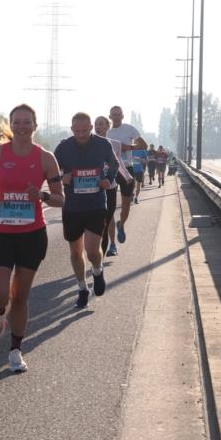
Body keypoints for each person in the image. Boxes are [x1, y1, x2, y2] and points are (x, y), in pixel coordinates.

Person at [0, 105, 64, 372]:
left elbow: (60, 199)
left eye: (27, 122)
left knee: (21, 296)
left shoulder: (46, 158)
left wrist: (44, 196)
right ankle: (0, 312)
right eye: (17, 122)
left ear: (35, 126)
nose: (22, 126)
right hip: (1, 234)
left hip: (32, 236)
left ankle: (15, 351)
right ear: (10, 126)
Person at [54, 112, 120, 309]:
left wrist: (108, 178)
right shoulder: (64, 147)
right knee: (76, 252)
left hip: (95, 204)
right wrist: (60, 177)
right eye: (77, 131)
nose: (81, 134)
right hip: (72, 207)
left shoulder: (102, 144)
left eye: (84, 130)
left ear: (91, 127)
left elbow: (114, 164)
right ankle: (82, 288)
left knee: (92, 251)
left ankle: (97, 271)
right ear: (72, 129)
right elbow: (50, 170)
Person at [105, 106, 147, 243]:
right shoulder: (106, 132)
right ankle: (111, 242)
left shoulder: (129, 129)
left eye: (118, 114)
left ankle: (121, 223)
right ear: (110, 117)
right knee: (109, 206)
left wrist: (129, 147)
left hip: (127, 169)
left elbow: (144, 144)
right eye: (113, 115)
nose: (116, 117)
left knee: (126, 205)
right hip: (110, 170)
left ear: (122, 116)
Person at [94, 115, 132, 257]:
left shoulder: (115, 143)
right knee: (98, 219)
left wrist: (127, 176)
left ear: (107, 127)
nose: (98, 126)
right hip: (94, 186)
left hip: (110, 185)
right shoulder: (89, 143)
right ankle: (97, 250)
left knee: (109, 217)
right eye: (96, 124)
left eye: (101, 124)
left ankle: (112, 245)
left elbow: (119, 163)